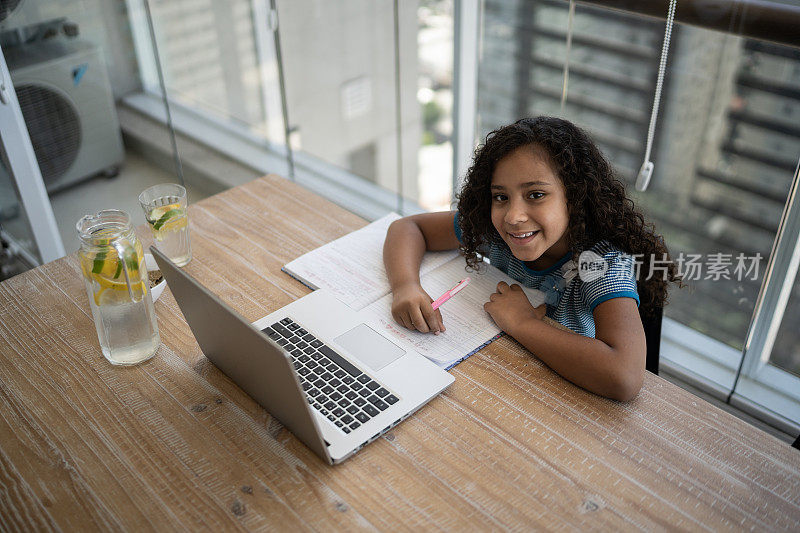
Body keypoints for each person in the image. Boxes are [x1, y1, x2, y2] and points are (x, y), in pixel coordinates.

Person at [383, 116, 679, 401]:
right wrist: (406, 286)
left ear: (574, 197)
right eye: (501, 197)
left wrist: (523, 323)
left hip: (564, 398)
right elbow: (409, 228)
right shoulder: (493, 230)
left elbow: (625, 377)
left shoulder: (600, 263)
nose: (513, 216)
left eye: (536, 195)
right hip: (498, 374)